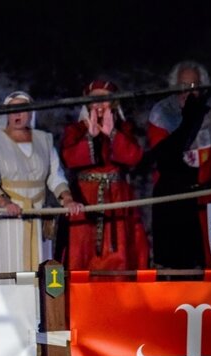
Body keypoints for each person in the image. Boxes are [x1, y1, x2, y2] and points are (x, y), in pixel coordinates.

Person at [0, 90, 83, 280]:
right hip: (8, 216)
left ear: (31, 113)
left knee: (40, 267)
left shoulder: (44, 140)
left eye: (23, 109)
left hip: (38, 213)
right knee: (11, 265)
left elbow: (55, 176)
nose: (18, 114)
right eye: (13, 110)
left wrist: (67, 199)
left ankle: (41, 307)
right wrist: (5, 204)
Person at [147, 60, 211, 269]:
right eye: (183, 86)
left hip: (210, 196)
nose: (188, 91)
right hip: (175, 200)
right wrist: (189, 120)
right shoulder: (161, 115)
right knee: (179, 268)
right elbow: (167, 158)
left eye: (194, 86)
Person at [60, 79, 149, 270]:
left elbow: (134, 157)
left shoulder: (124, 128)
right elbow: (69, 159)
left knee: (119, 253)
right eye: (94, 100)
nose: (99, 105)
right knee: (82, 252)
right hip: (85, 197)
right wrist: (89, 137)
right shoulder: (75, 130)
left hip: (117, 197)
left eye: (105, 99)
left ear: (114, 102)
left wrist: (113, 134)